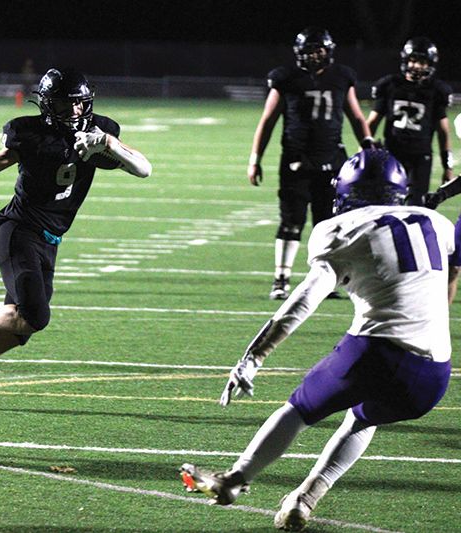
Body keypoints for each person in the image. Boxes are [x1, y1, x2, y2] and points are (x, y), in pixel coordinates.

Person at [179, 149, 454, 531]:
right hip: (434, 375)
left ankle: (234, 480)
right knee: (361, 419)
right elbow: (449, 273)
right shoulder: (437, 223)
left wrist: (254, 356)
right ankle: (304, 499)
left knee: (299, 410)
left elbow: (305, 298)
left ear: (346, 190)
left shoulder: (339, 229)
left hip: (376, 353)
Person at [0, 68, 152, 408]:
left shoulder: (99, 133)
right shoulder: (30, 134)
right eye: (66, 106)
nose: (76, 112)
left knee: (18, 331)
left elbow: (143, 168)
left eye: (79, 104)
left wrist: (107, 144)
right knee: (35, 316)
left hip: (50, 240)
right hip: (19, 231)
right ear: (48, 107)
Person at [247, 27, 375, 300]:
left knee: (328, 223)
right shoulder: (286, 78)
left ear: (328, 51)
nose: (313, 56)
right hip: (296, 160)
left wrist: (367, 145)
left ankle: (324, 280)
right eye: (308, 51)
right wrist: (255, 159)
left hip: (332, 159)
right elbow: (267, 121)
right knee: (291, 221)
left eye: (318, 50)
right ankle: (281, 279)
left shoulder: (341, 77)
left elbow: (356, 117)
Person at [367, 37, 453, 206]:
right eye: (413, 61)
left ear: (430, 64)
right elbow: (372, 123)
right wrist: (365, 151)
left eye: (422, 62)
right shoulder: (390, 85)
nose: (417, 66)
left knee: (416, 208)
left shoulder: (436, 91)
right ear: (406, 60)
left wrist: (447, 166)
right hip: (391, 154)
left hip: (420, 158)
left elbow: (443, 131)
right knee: (385, 204)